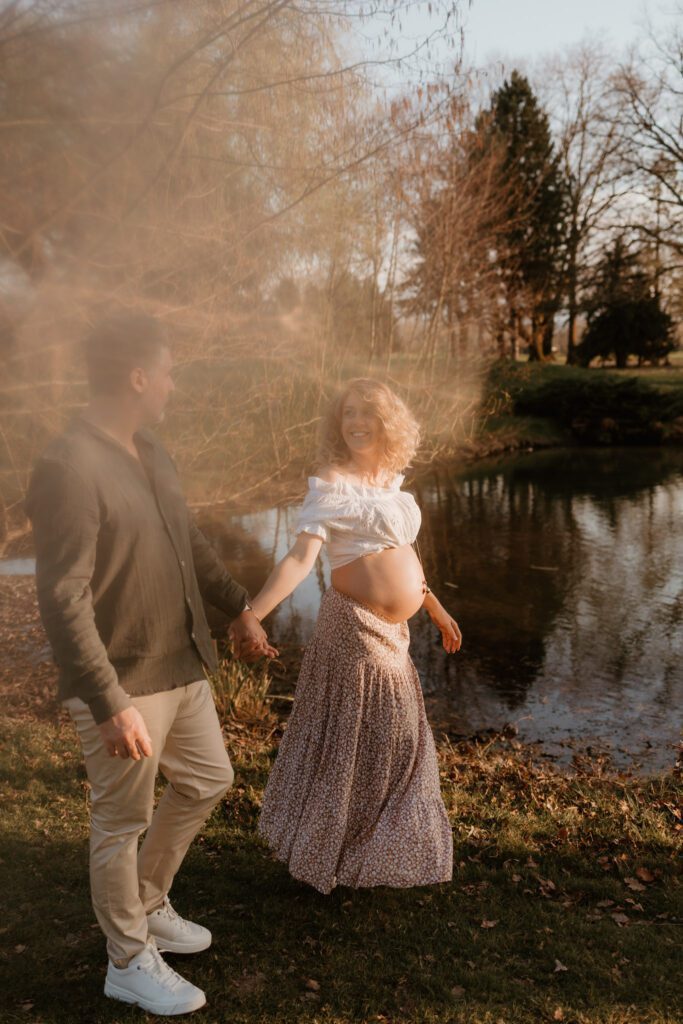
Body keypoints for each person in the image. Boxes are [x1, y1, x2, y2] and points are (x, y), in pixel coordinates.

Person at [25, 311, 277, 1016]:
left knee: (209, 778)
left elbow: (186, 538)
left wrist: (237, 607)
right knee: (120, 821)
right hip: (123, 679)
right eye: (167, 373)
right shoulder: (68, 466)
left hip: (181, 660)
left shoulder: (149, 448)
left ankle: (146, 901)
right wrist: (108, 702)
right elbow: (63, 597)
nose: (173, 385)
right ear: (137, 377)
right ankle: (127, 960)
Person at [249, 378, 462, 894]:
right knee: (364, 740)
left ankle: (371, 850)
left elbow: (403, 553)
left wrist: (433, 606)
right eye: (348, 413)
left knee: (392, 740)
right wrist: (254, 613)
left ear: (387, 422)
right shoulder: (332, 482)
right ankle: (338, 850)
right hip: (355, 626)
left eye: (367, 413)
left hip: (396, 632)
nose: (357, 423)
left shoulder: (391, 481)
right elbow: (301, 558)